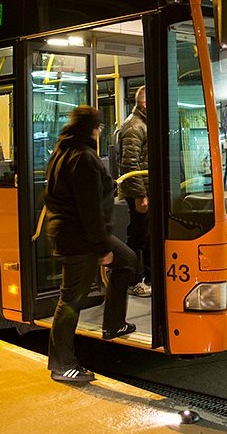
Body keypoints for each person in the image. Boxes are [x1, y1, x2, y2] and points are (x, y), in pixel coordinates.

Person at [44, 105, 138, 383]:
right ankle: (62, 365)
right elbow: (90, 209)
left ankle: (114, 323)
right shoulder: (81, 157)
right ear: (92, 128)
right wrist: (102, 248)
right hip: (81, 237)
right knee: (70, 300)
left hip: (77, 233)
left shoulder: (63, 151)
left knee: (128, 261)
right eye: (98, 125)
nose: (100, 130)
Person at [118, 85, 151, 298]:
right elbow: (130, 164)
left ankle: (148, 277)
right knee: (140, 236)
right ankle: (133, 279)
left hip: (148, 189)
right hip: (141, 192)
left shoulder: (146, 123)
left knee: (147, 237)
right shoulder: (134, 127)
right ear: (144, 104)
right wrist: (140, 195)